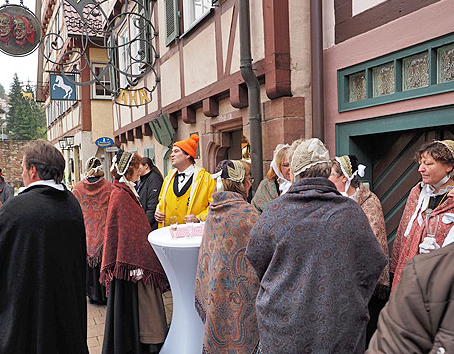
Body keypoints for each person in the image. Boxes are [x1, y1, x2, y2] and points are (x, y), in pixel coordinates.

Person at [246, 138, 387, 354]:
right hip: (339, 329)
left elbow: (256, 258)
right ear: (326, 173)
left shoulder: (275, 212)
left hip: (284, 327)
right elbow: (372, 264)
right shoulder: (350, 212)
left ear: (294, 173)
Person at [0, 139, 88, 354]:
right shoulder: (71, 202)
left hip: (27, 312)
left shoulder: (15, 207)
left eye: (22, 168)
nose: (22, 174)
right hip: (65, 307)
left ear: (32, 171)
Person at [101, 149, 169, 354]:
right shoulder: (121, 195)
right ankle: (140, 344)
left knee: (142, 306)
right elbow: (123, 232)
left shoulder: (127, 190)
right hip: (130, 264)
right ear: (129, 169)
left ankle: (142, 342)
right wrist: (135, 261)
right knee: (139, 307)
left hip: (134, 261)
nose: (140, 170)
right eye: (137, 166)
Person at [195, 160, 260, 354]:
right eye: (249, 179)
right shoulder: (247, 213)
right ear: (241, 183)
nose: (250, 183)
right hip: (240, 297)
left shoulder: (214, 209)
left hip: (217, 289)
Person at [329, 155, 390, 345]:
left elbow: (375, 245)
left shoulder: (369, 202)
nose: (327, 178)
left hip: (363, 284)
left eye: (331, 174)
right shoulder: (331, 200)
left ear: (344, 178)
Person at [391, 140, 454, 291]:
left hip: (441, 282)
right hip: (410, 274)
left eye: (428, 164)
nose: (421, 169)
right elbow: (403, 232)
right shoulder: (417, 192)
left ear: (449, 166)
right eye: (420, 164)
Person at [72, 157, 112, 305]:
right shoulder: (109, 187)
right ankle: (104, 294)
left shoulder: (77, 188)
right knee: (103, 263)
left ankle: (92, 295)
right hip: (104, 232)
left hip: (86, 232)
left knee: (90, 268)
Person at [154, 134, 215, 227]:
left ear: (188, 155)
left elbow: (214, 206)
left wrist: (198, 218)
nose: (171, 155)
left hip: (193, 236)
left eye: (176, 151)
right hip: (169, 234)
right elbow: (161, 201)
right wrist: (158, 211)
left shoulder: (206, 179)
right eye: (172, 151)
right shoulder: (168, 178)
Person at [252, 143, 291, 212]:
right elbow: (255, 211)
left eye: (292, 164)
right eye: (286, 165)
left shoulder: (301, 184)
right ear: (277, 167)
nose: (290, 168)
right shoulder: (266, 185)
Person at [137, 157, 163, 230]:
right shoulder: (142, 180)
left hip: (151, 226)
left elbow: (152, 205)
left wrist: (143, 226)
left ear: (146, 166)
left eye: (138, 166)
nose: (137, 169)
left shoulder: (154, 179)